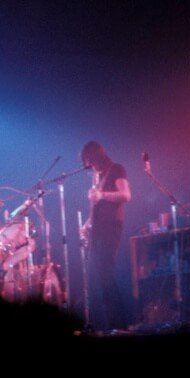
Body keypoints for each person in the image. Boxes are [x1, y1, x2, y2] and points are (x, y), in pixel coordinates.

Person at [79, 140, 131, 332]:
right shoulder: (98, 176)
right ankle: (113, 323)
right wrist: (86, 224)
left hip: (112, 227)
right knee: (101, 276)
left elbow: (125, 195)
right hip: (99, 228)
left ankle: (119, 323)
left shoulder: (117, 169)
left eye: (90, 161)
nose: (89, 166)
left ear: (96, 157)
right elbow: (96, 208)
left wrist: (101, 195)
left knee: (106, 273)